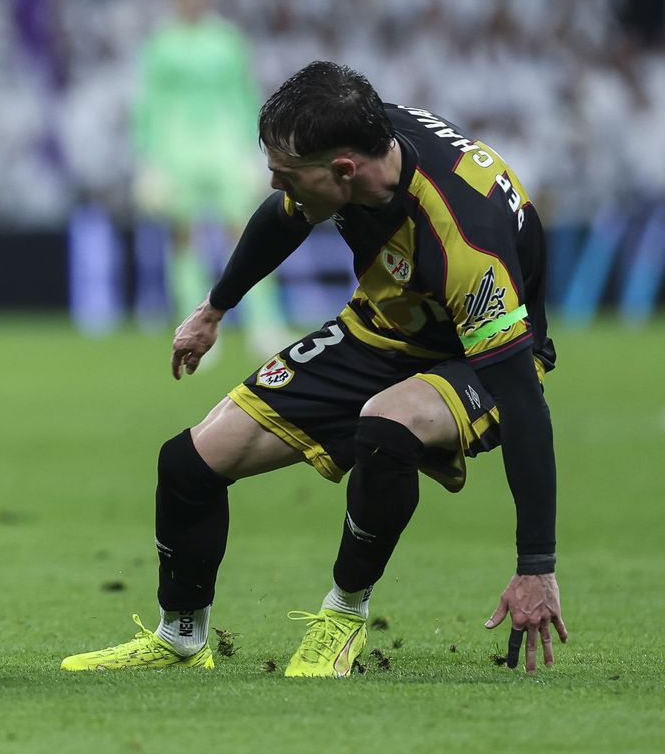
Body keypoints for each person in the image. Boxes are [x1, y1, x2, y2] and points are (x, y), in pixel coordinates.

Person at [63, 61, 566, 676]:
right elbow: (284, 217)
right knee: (188, 463)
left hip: (482, 357)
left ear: (344, 170)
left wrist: (536, 566)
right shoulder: (351, 149)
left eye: (286, 174)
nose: (275, 182)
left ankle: (343, 617)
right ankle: (181, 638)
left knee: (387, 425)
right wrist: (215, 308)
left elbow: (522, 400)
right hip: (379, 329)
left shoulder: (464, 238)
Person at [130, 0, 287, 353]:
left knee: (245, 231)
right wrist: (148, 160)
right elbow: (149, 102)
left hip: (225, 145)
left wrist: (255, 149)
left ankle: (264, 323)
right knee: (185, 235)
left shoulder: (227, 40)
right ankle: (193, 324)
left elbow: (244, 93)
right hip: (177, 150)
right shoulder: (161, 44)